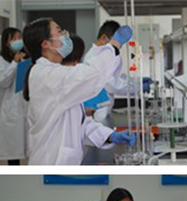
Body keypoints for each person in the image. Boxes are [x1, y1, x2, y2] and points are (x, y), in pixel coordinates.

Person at [22, 18, 136, 165]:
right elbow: (91, 74)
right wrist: (114, 45)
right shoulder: (47, 75)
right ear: (46, 44)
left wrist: (109, 136)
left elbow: (78, 122)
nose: (65, 34)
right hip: (50, 163)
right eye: (59, 31)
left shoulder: (54, 73)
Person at [84, 20, 152, 123]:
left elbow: (116, 78)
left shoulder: (101, 55)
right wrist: (138, 87)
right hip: (97, 114)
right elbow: (113, 85)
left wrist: (137, 81)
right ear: (103, 38)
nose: (118, 46)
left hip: (102, 111)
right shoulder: (95, 57)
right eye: (115, 42)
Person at [0, 27, 27, 165]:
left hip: (24, 107)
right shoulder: (1, 60)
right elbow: (3, 82)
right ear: (6, 42)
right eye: (14, 38)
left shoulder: (24, 58)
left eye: (19, 38)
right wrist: (14, 63)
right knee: (13, 153)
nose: (18, 41)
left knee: (26, 148)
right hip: (10, 108)